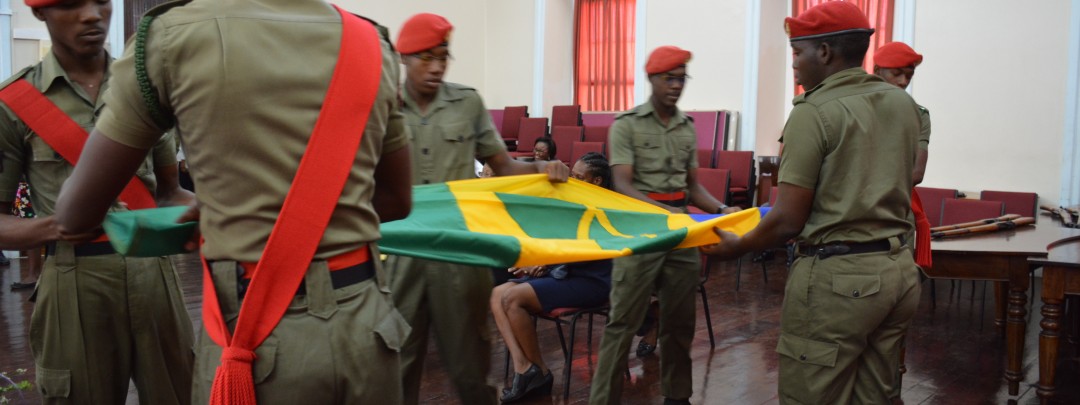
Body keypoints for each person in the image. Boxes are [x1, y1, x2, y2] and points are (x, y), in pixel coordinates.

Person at [51, 0, 414, 402]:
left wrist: (232, 207)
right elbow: (396, 199)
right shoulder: (370, 41)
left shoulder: (172, 37)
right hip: (369, 328)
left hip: (258, 333)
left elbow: (74, 215)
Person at [701, 2, 923, 403]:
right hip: (898, 272)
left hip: (839, 281)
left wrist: (738, 247)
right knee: (876, 396)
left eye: (797, 52)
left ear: (824, 52)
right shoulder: (902, 104)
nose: (793, 64)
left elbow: (788, 219)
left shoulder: (813, 111)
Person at [0, 0, 195, 403]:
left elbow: (169, 192)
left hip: (153, 273)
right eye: (71, 4)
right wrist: (52, 227)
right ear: (40, 12)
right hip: (73, 278)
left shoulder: (146, 88)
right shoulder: (14, 102)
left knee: (178, 392)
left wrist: (217, 209)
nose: (92, 15)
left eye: (101, 1)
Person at [385, 13, 569, 405]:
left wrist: (542, 168)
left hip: (460, 259)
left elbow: (504, 167)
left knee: (471, 372)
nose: (436, 67)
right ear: (404, 57)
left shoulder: (466, 103)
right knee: (398, 372)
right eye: (426, 57)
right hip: (402, 260)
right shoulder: (384, 105)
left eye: (443, 56)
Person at [589, 45, 739, 405]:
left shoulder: (687, 128)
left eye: (681, 79)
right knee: (622, 324)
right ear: (652, 79)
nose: (676, 86)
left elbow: (692, 187)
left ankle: (677, 397)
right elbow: (622, 185)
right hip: (641, 231)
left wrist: (721, 209)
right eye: (669, 79)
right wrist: (669, 215)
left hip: (680, 236)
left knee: (679, 324)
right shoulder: (627, 125)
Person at [491, 152, 613, 403]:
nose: (573, 181)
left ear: (597, 181)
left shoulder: (606, 206)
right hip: (565, 272)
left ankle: (541, 373)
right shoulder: (574, 200)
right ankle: (524, 367)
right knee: (496, 294)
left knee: (513, 299)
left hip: (591, 280)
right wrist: (536, 262)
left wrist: (546, 263)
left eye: (579, 177)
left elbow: (586, 251)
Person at [874, 41, 930, 184]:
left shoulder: (918, 115)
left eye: (909, 76)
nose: (903, 81)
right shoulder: (857, 107)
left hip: (897, 193)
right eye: (896, 74)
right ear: (877, 71)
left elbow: (917, 173)